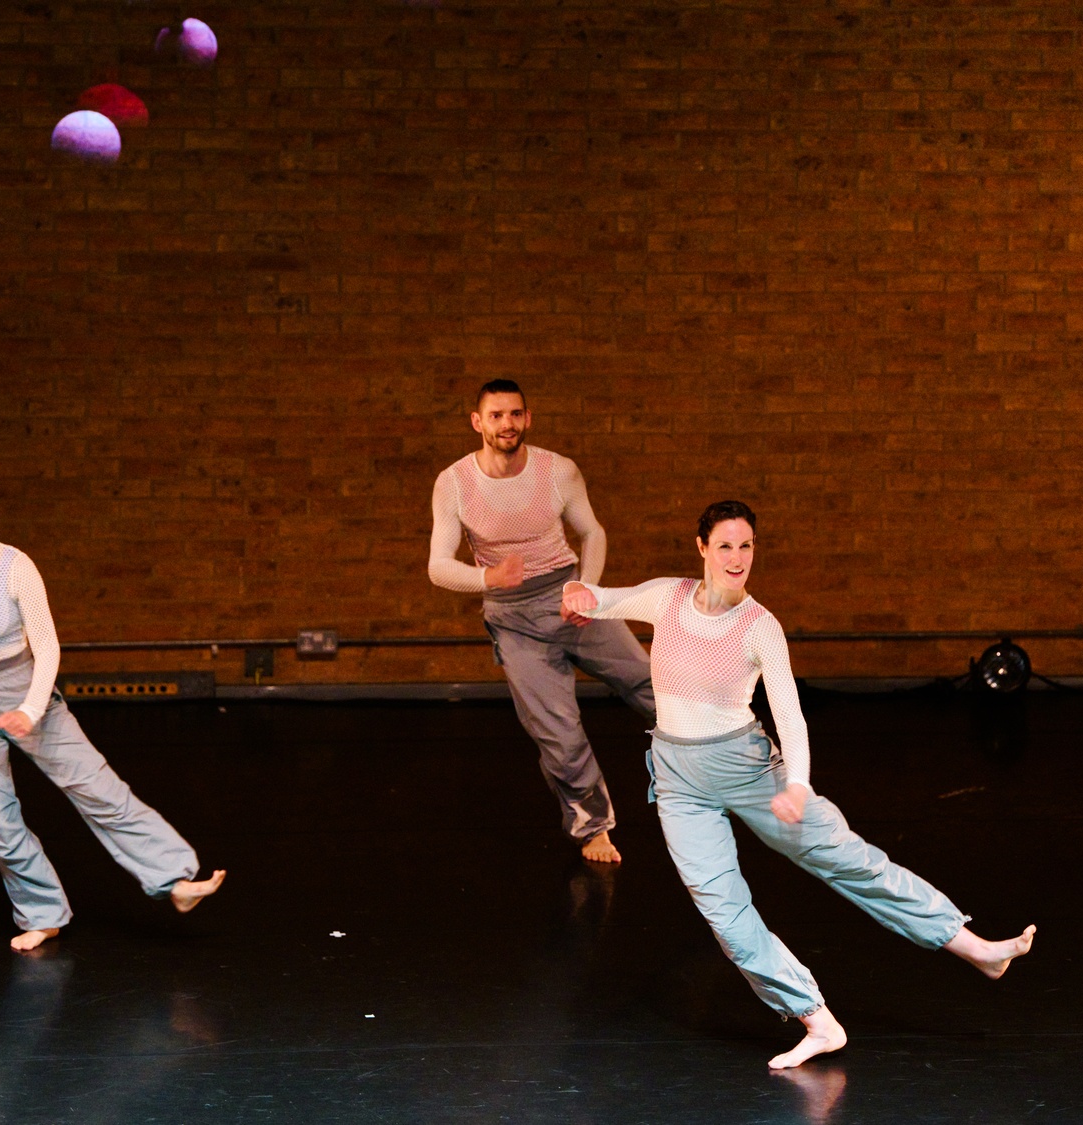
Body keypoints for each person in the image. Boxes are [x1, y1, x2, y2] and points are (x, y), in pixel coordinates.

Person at [561, 500, 1035, 1069]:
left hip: (748, 769)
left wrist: (799, 785)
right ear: (702, 548)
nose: (737, 557)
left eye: (746, 546)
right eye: (725, 545)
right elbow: (607, 599)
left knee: (847, 859)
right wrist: (581, 594)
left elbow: (789, 713)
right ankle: (816, 1019)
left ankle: (976, 948)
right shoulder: (669, 597)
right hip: (678, 780)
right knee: (724, 912)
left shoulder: (760, 625)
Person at [0, 467, 225, 951]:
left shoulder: (16, 566)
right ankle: (42, 915)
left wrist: (30, 709)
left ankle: (174, 880)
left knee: (95, 784)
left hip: (22, 689)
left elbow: (46, 646)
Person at [428, 380, 656, 864]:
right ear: (477, 422)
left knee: (648, 680)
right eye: (496, 415)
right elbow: (438, 566)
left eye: (515, 414)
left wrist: (586, 589)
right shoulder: (454, 482)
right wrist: (488, 577)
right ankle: (593, 828)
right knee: (558, 730)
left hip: (570, 597)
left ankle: (729, 762)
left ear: (528, 418)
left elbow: (592, 532)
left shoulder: (558, 471)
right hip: (513, 617)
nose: (506, 424)